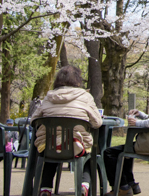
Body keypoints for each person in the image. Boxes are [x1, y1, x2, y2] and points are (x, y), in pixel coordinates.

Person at [30, 65, 102, 196]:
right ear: (78, 80)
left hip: (49, 147)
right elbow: (97, 123)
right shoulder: (86, 97)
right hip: (77, 145)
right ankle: (84, 185)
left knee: (52, 145)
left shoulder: (48, 97)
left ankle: (45, 188)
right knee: (89, 153)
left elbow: (33, 120)